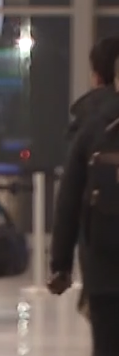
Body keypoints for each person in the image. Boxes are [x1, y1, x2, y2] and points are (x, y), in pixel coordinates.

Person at [49, 63, 119, 356]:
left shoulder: (94, 127)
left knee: (106, 346)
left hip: (104, 257)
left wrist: (60, 264)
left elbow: (69, 201)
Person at [69, 36, 119, 320]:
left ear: (96, 74)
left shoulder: (87, 117)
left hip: (98, 234)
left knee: (105, 345)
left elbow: (70, 194)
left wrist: (60, 264)